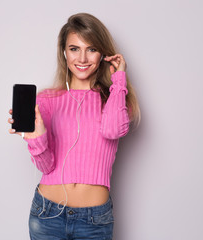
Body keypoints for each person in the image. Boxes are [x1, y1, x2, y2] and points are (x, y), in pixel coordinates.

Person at [8, 13, 140, 240]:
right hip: (47, 214)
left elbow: (112, 130)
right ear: (64, 53)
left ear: (102, 55)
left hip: (94, 220)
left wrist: (119, 80)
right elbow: (46, 166)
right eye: (74, 48)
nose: (82, 58)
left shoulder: (114, 99)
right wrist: (36, 136)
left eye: (91, 49)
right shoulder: (46, 101)